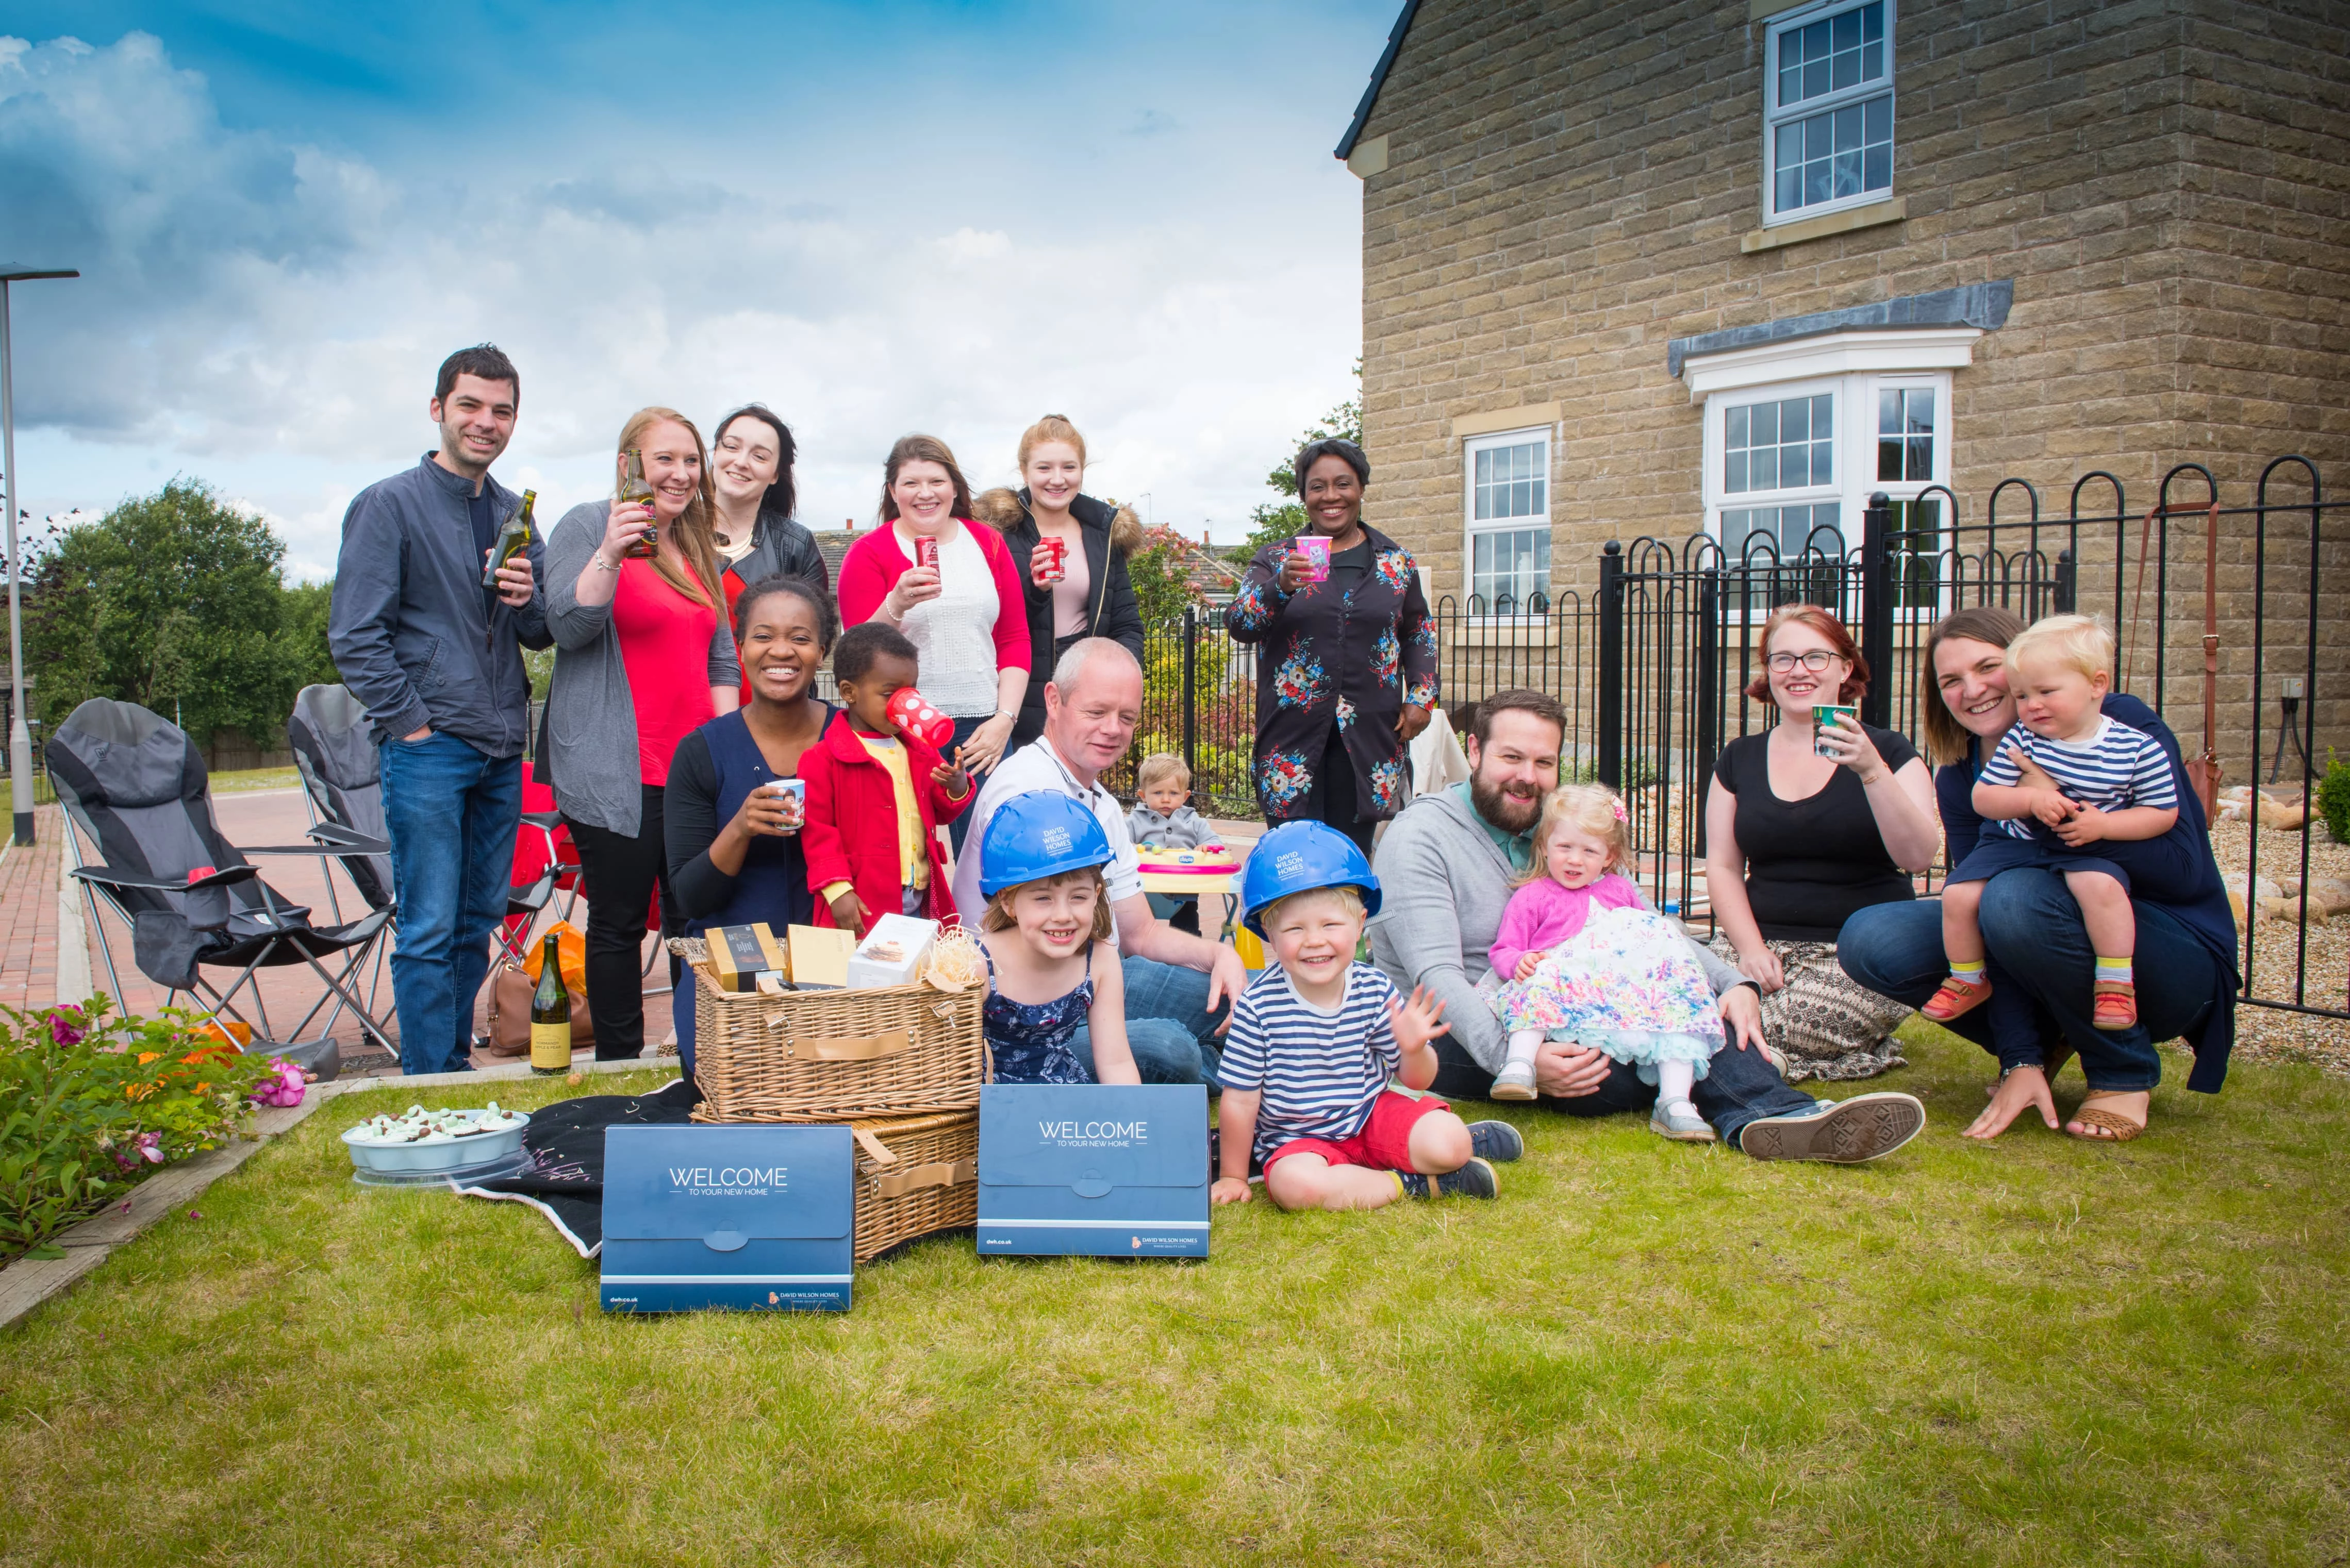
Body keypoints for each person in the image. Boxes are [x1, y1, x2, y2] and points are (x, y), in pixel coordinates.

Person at [1370, 686, 1927, 1162]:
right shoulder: (1420, 838)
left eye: (1543, 764)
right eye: (1510, 758)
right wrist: (1516, 1060)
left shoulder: (1559, 832)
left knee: (1691, 1013)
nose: (1527, 778)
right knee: (1605, 1069)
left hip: (1575, 1002)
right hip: (1458, 1033)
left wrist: (1732, 983)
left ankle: (1779, 1118)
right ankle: (1772, 1113)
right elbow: (1435, 976)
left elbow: (1644, 927)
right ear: (1473, 750)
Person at [1836, 606, 2238, 1144]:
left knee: (2017, 895)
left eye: (1987, 667)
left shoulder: (2119, 726)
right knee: (1874, 937)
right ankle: (2040, 1046)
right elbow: (1987, 910)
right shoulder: (1965, 780)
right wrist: (2018, 1057)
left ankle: (2122, 1071)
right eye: (1950, 680)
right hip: (2036, 924)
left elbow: (2183, 873)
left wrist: (2068, 821)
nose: (1972, 689)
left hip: (2165, 953)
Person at [330, 344, 548, 1075]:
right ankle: (427, 1079)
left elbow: (542, 630)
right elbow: (356, 636)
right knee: (427, 923)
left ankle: (451, 1062)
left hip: (498, 747)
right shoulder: (388, 504)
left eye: (501, 410)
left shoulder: (515, 511)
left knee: (477, 920)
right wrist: (412, 723)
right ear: (438, 409)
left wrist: (526, 600)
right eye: (471, 406)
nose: (486, 423)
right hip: (429, 746)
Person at [951, 638, 1248, 1087]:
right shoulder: (1027, 793)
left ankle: (1266, 1063)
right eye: (1097, 712)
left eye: (1127, 717)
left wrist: (1218, 954)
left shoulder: (1103, 804)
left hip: (1093, 971)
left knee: (1245, 997)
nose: (1113, 728)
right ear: (1054, 700)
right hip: (1026, 1015)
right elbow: (1042, 936)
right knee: (1172, 1047)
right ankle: (1248, 1071)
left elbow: (1139, 932)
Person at [541, 407, 741, 1061]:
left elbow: (720, 658)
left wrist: (727, 753)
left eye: (691, 461)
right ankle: (618, 1067)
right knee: (619, 923)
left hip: (690, 769)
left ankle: (697, 1058)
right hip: (614, 765)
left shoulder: (694, 543)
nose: (681, 475)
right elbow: (568, 627)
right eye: (665, 460)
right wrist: (609, 550)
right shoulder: (585, 525)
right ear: (629, 464)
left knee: (694, 922)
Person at [1214, 822, 1527, 1210]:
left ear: (1361, 924)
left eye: (1331, 924)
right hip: (1299, 1143)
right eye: (1295, 928)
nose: (1315, 940)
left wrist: (1412, 1049)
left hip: (1371, 1118)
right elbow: (1241, 1101)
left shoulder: (1374, 988)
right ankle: (1414, 1183)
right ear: (1269, 933)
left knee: (1451, 1143)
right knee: (1295, 1188)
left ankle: (1459, 1146)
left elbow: (1418, 1079)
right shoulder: (1257, 1007)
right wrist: (1232, 1176)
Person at [1702, 605, 1943, 1081]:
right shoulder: (1739, 758)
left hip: (1856, 954)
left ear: (1845, 667)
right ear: (1768, 671)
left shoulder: (1891, 752)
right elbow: (1724, 867)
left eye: (1816, 657)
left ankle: (1726, 1065)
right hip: (1756, 943)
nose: (1799, 671)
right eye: (1783, 659)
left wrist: (1870, 771)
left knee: (1752, 1026)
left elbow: (1917, 858)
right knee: (1679, 1001)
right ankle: (1749, 1066)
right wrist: (1749, 952)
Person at [1926, 614, 2178, 1035]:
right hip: (2018, 854)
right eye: (2024, 695)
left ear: (2095, 685)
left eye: (1989, 668)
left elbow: (2164, 817)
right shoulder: (2019, 740)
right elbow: (1984, 799)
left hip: (2098, 860)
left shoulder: (2133, 740)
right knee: (1958, 895)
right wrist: (2032, 797)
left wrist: (2099, 826)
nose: (2032, 705)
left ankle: (2116, 983)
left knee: (2092, 888)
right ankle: (1969, 979)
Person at [1224, 437, 1438, 859]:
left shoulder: (1396, 563)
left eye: (1343, 484)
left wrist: (1422, 695)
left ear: (1360, 488)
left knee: (1350, 860)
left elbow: (1418, 630)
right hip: (1291, 739)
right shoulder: (1275, 559)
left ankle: (1348, 928)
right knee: (1294, 861)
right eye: (1317, 486)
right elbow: (1240, 625)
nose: (1331, 497)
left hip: (1370, 736)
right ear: (1304, 495)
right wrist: (1280, 587)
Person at [1483, 783, 1726, 1141]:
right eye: (1564, 847)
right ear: (1546, 846)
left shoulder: (1621, 891)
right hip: (1567, 998)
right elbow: (1504, 949)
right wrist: (1520, 961)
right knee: (1540, 976)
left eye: (1589, 850)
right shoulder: (1533, 896)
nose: (1575, 860)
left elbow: (1649, 939)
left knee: (1673, 995)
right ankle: (1519, 1064)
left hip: (1621, 995)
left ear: (1609, 856)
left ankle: (1675, 1100)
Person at [663, 576, 837, 1075]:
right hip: (733, 983)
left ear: (822, 651)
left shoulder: (854, 739)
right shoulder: (702, 752)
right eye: (763, 636)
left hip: (840, 978)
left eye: (800, 638)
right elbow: (690, 900)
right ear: (740, 647)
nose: (781, 651)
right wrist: (739, 828)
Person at [836, 435, 1030, 852]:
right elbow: (854, 655)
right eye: (910, 483)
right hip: (900, 728)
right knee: (905, 856)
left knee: (996, 855)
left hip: (982, 731)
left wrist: (1004, 720)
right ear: (892, 491)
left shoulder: (988, 543)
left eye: (937, 481)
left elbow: (1014, 638)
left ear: (955, 487)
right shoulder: (869, 553)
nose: (925, 494)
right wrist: (897, 604)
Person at [972, 414, 1146, 747]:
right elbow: (988, 618)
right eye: (1044, 468)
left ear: (1082, 471)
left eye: (1069, 468)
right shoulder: (997, 534)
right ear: (1024, 472)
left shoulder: (1103, 537)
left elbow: (1126, 626)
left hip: (1081, 691)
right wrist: (1037, 592)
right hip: (1012, 688)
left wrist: (1112, 681)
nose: (1057, 479)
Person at [800, 622, 972, 933]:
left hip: (920, 897)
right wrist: (837, 890)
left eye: (910, 693)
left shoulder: (920, 750)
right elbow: (818, 832)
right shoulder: (822, 760)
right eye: (890, 694)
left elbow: (942, 811)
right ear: (849, 692)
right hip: (861, 902)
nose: (902, 706)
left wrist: (956, 788)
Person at [972, 790, 1141, 1086]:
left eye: (1078, 897)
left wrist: (1132, 1125)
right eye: (1043, 899)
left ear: (1097, 895)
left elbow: (1116, 1061)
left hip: (1063, 1113)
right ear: (1008, 902)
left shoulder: (1100, 959)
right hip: (988, 1113)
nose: (1063, 915)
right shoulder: (978, 964)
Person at [707, 405, 831, 704]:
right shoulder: (670, 531)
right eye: (732, 447)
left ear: (775, 474)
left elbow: (817, 637)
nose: (741, 462)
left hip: (775, 718)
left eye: (759, 456)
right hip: (680, 711)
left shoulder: (796, 544)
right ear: (714, 453)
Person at [1127, 752, 1223, 936]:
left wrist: (1206, 848)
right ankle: (1133, 950)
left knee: (1187, 928)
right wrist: (1129, 847)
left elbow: (1215, 843)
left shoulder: (1193, 821)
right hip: (1144, 888)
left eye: (1173, 793)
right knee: (1134, 926)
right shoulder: (1135, 821)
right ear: (1143, 795)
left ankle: (1188, 952)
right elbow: (1120, 843)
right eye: (1157, 793)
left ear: (1185, 796)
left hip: (1184, 888)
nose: (1166, 799)